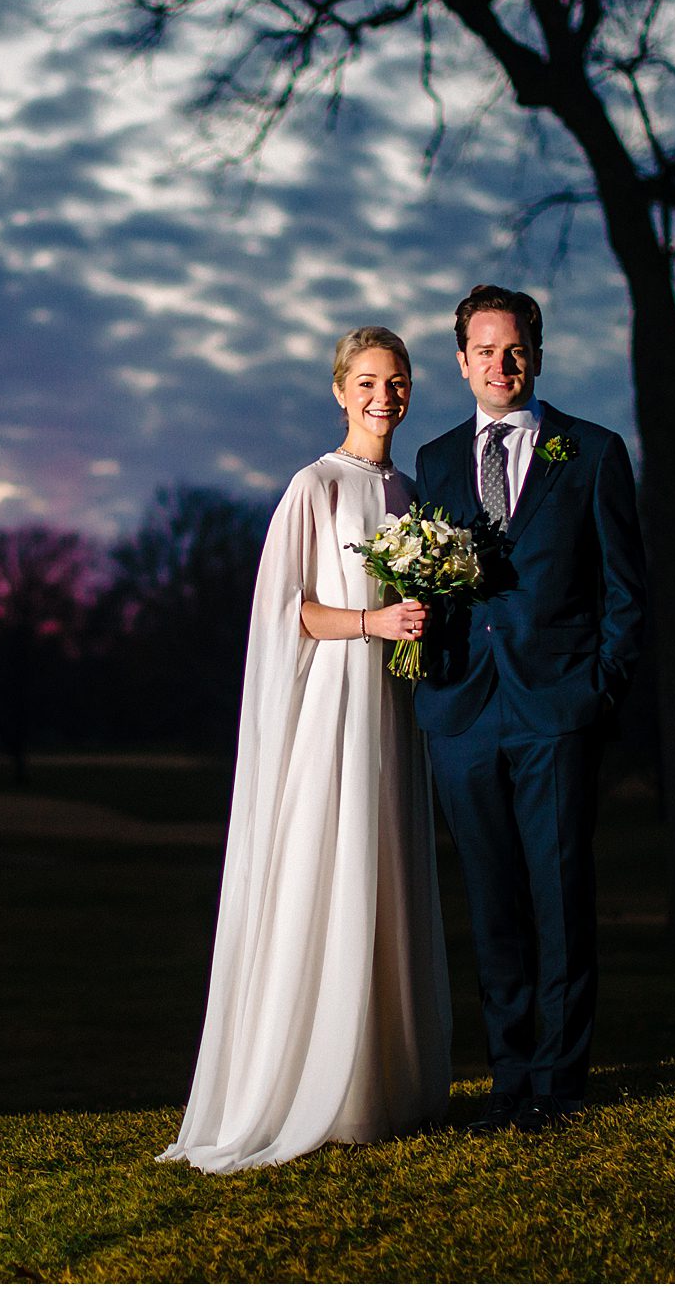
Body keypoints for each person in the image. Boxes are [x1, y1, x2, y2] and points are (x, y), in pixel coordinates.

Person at [158, 326, 454, 1174]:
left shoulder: (415, 489)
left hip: (396, 703)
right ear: (339, 390)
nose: (383, 395)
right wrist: (373, 622)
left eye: (396, 381)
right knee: (336, 861)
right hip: (339, 701)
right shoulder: (314, 486)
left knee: (390, 865)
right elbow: (288, 610)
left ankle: (389, 1081)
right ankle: (324, 1085)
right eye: (366, 380)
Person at [412, 284, 646, 1134]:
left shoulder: (591, 451)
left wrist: (599, 687)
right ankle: (508, 1079)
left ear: (536, 354)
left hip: (557, 707)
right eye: (483, 351)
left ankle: (560, 1083)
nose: (500, 365)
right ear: (462, 360)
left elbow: (627, 588)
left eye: (514, 350)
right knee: (493, 900)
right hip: (462, 710)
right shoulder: (435, 461)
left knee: (560, 893)